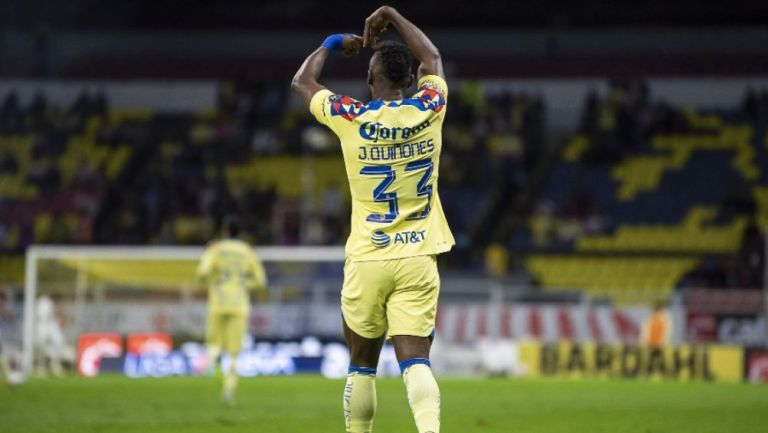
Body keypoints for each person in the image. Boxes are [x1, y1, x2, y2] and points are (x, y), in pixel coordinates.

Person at [292, 6, 454, 433]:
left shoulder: (353, 118)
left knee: (361, 365)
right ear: (412, 80)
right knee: (416, 361)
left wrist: (330, 43)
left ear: (370, 80)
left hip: (367, 258)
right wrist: (392, 15)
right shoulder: (430, 108)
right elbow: (433, 57)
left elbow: (302, 83)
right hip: (419, 255)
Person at [196, 216, 267, 404]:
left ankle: (214, 371)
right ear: (239, 233)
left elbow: (202, 273)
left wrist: (208, 278)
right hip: (239, 304)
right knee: (234, 352)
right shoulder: (248, 252)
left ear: (224, 230)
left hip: (218, 302)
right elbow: (261, 281)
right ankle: (229, 389)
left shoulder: (215, 249)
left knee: (214, 345)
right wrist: (243, 284)